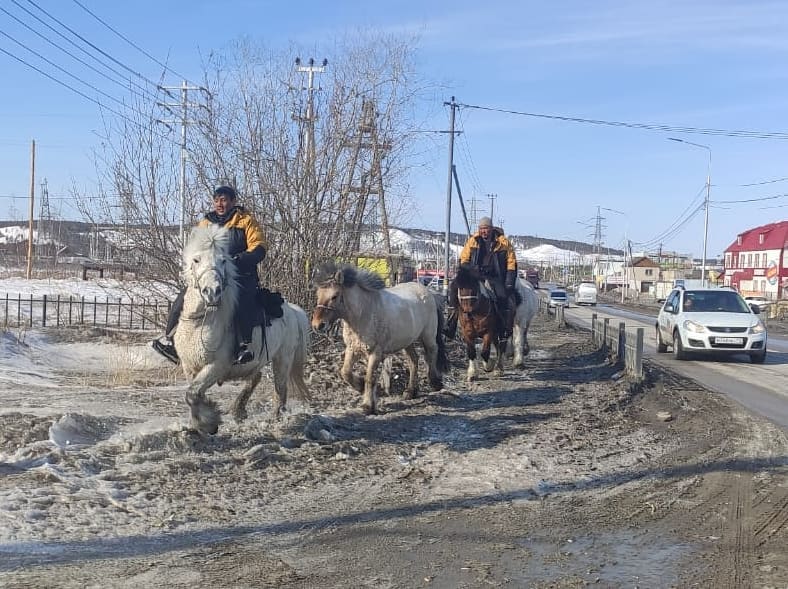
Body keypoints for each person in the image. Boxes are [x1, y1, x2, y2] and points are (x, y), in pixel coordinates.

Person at [152, 185, 268, 365]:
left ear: (233, 201)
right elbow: (195, 249)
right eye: (216, 200)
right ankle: (171, 341)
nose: (219, 204)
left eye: (224, 200)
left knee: (242, 303)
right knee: (181, 301)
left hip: (239, 276)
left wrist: (237, 260)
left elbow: (259, 249)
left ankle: (244, 346)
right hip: (211, 275)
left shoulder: (246, 221)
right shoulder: (206, 223)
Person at [444, 216, 518, 340]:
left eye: (487, 228)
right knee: (454, 288)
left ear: (491, 229)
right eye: (482, 228)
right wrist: (472, 270)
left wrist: (509, 282)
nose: (484, 231)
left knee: (502, 297)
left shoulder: (503, 243)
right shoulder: (473, 241)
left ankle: (503, 328)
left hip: (495, 276)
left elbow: (512, 264)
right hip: (475, 276)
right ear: (479, 229)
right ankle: (451, 323)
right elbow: (463, 260)